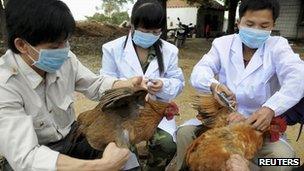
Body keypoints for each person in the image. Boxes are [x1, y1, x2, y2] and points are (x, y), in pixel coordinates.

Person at [0, 0, 147, 170]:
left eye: (66, 41)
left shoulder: (66, 58)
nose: (64, 49)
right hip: (38, 154)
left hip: (72, 137)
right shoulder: (5, 85)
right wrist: (100, 166)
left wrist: (127, 85)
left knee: (123, 152)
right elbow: (26, 157)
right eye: (55, 46)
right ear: (22, 45)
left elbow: (95, 85)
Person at [176, 0, 304, 170]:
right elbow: (200, 71)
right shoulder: (222, 44)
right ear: (238, 22)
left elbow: (298, 77)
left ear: (273, 25)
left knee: (285, 160)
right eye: (250, 24)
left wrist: (270, 108)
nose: (256, 30)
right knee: (185, 133)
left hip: (260, 128)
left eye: (264, 25)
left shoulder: (278, 46)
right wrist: (214, 85)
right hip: (223, 120)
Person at [100, 0, 185, 170]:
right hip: (122, 112)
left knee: (167, 144)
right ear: (132, 25)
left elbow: (178, 83)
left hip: (153, 111)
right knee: (123, 148)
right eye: (145, 31)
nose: (150, 35)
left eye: (155, 32)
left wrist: (163, 85)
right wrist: (129, 87)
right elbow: (104, 82)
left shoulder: (169, 51)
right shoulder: (112, 49)